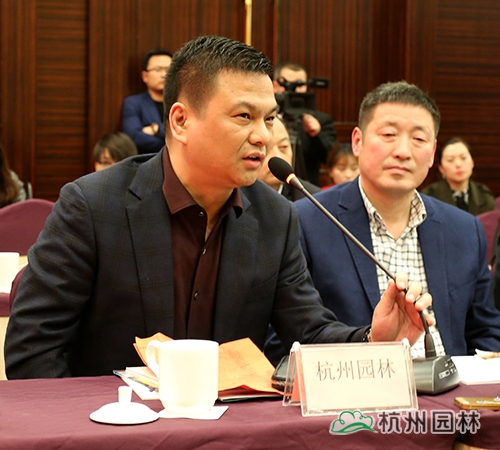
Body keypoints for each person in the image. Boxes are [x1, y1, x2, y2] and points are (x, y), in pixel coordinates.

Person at [5, 37, 431, 379]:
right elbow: (33, 349)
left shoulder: (275, 216)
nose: (263, 136)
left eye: (269, 118)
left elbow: (307, 331)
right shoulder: (93, 205)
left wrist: (372, 341)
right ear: (181, 121)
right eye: (243, 116)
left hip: (229, 432)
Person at [265, 81, 500, 365]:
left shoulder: (464, 230)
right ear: (357, 142)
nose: (403, 151)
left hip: (450, 388)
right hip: (352, 388)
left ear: (432, 153)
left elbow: (487, 333)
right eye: (389, 134)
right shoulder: (306, 221)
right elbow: (283, 341)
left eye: (419, 139)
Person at [273, 62, 337, 186]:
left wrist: (317, 134)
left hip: (307, 189)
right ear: (275, 86)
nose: (294, 90)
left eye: (299, 85)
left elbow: (333, 159)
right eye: (286, 84)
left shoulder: (320, 120)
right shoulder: (266, 118)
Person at [421, 137, 496, 215]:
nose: (458, 164)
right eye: (450, 160)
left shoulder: (484, 194)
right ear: (441, 168)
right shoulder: (430, 196)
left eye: (463, 158)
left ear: (472, 162)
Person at [122, 49, 173, 154]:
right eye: (158, 69)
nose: (164, 74)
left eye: (169, 69)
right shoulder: (133, 103)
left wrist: (157, 129)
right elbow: (134, 138)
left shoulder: (184, 102)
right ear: (144, 76)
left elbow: (192, 134)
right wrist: (172, 143)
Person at [258, 117, 320, 201]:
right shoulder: (239, 195)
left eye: (283, 147)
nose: (278, 156)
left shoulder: (312, 198)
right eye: (266, 148)